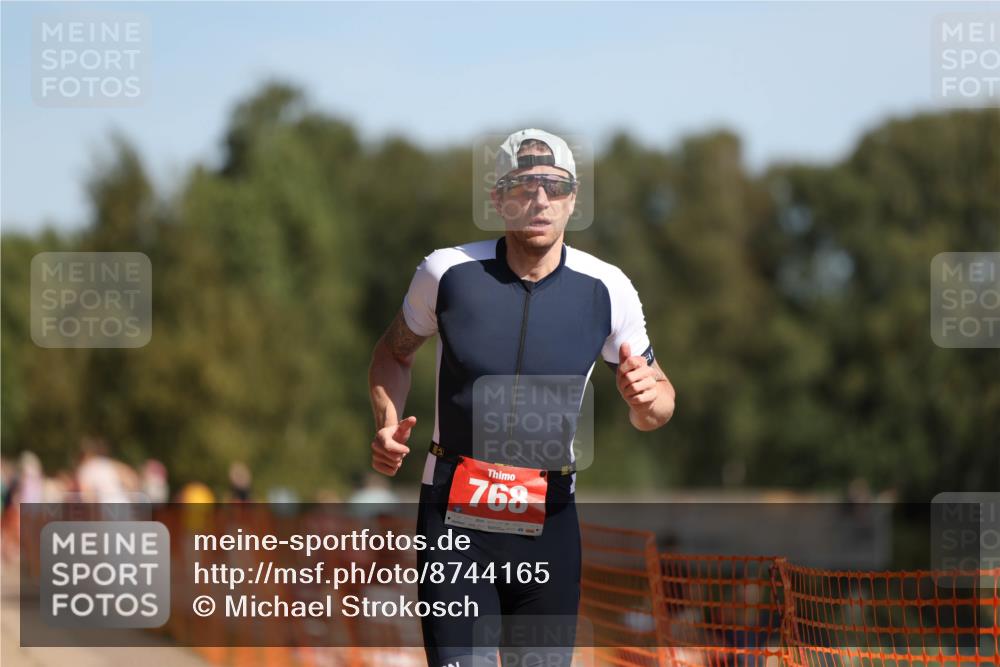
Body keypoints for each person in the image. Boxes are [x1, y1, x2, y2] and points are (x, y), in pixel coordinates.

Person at [368, 128, 675, 667]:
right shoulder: (447, 273)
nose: (539, 200)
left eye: (554, 187)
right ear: (498, 198)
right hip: (455, 520)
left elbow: (660, 403)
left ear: (573, 199)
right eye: (523, 185)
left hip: (549, 522)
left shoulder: (608, 290)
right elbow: (393, 353)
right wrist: (387, 418)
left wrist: (647, 400)